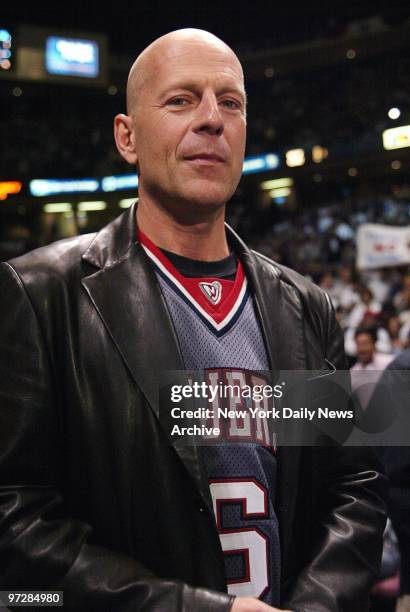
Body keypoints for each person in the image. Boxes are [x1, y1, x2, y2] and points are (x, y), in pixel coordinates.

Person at [0, 29, 385, 611]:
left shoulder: (303, 305)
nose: (212, 119)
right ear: (126, 137)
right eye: (181, 100)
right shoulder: (41, 295)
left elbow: (350, 489)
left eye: (230, 102)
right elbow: (16, 522)